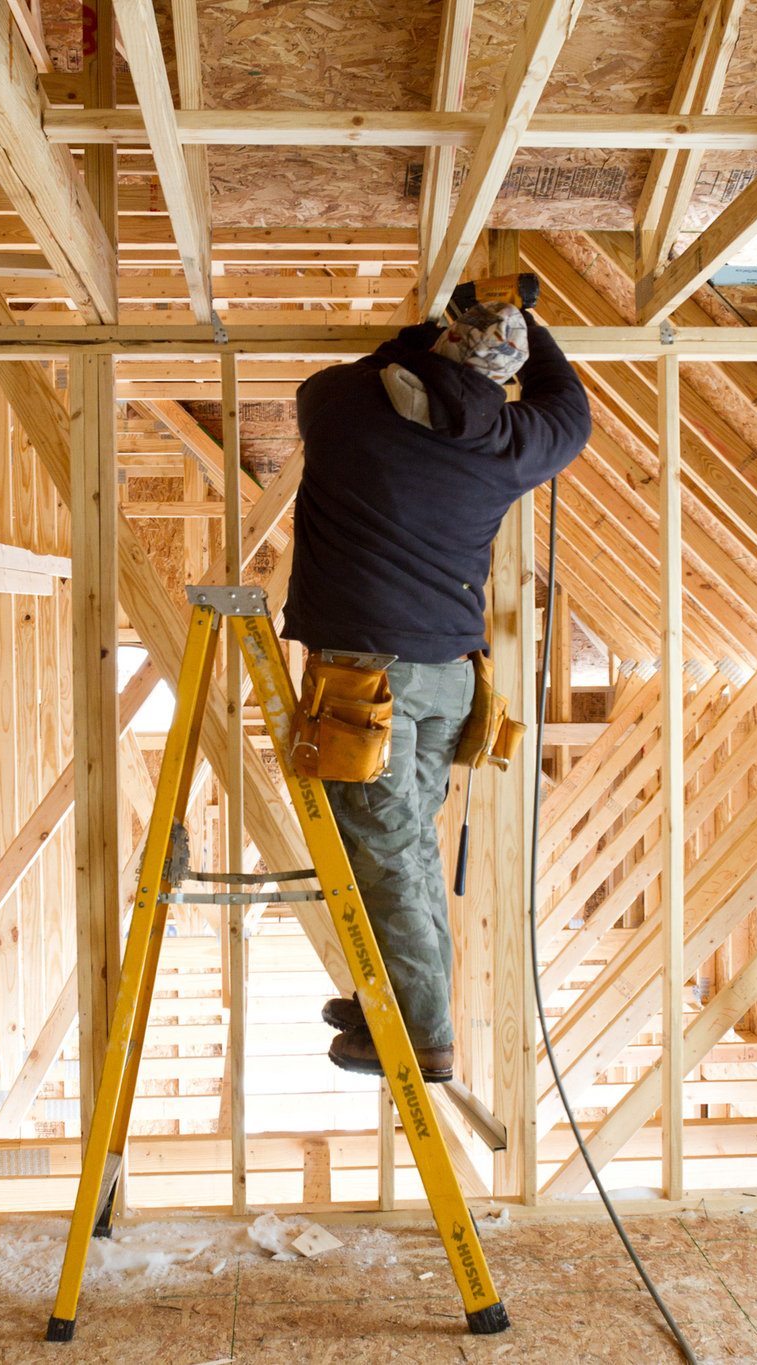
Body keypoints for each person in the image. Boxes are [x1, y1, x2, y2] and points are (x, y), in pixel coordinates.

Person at [283, 300, 591, 1081]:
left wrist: (427, 338)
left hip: (364, 682)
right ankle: (397, 998)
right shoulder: (510, 445)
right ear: (504, 377)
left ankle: (422, 1032)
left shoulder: (342, 410)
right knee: (407, 846)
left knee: (387, 852)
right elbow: (571, 410)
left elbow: (338, 379)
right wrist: (531, 328)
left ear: (444, 343)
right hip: (448, 680)